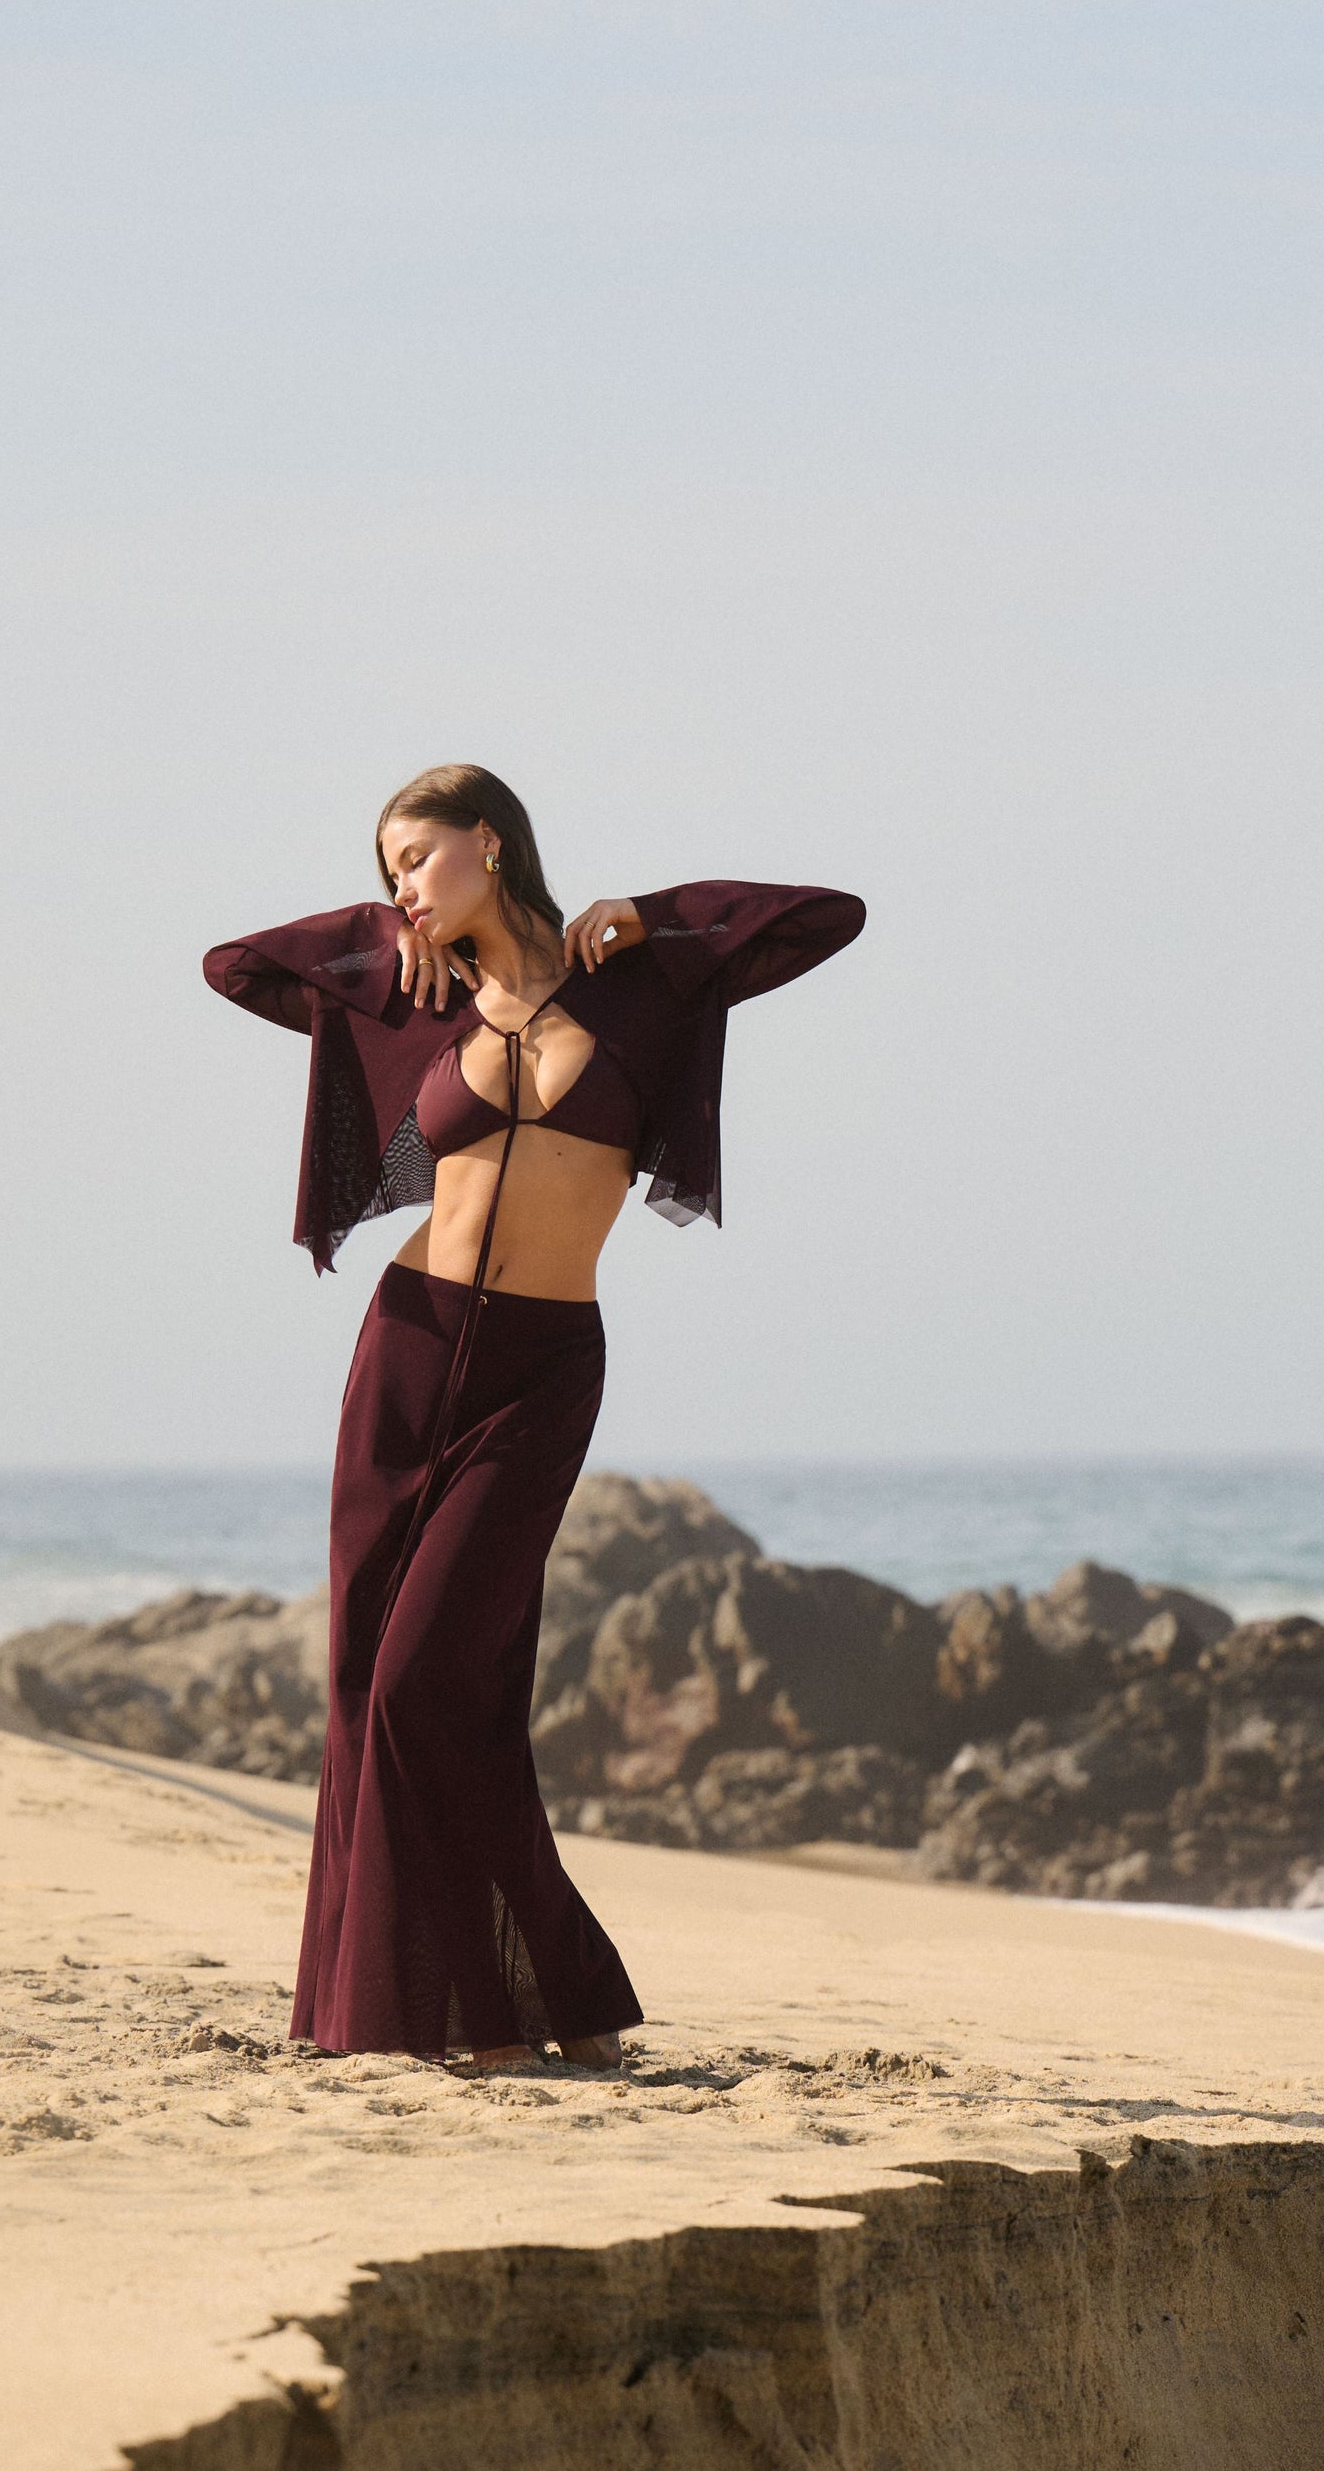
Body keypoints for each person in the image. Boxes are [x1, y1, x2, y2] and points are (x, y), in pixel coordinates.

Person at [204, 765, 862, 2073]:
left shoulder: (632, 983)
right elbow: (235, 969)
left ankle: (501, 2000)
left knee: (432, 1681)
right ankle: (461, 2009)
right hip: (407, 1355)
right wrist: (381, 932)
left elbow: (822, 918)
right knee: (372, 1685)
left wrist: (655, 915)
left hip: (540, 1372)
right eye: (387, 869)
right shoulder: (415, 991)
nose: (401, 884)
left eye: (415, 858)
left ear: (489, 843)